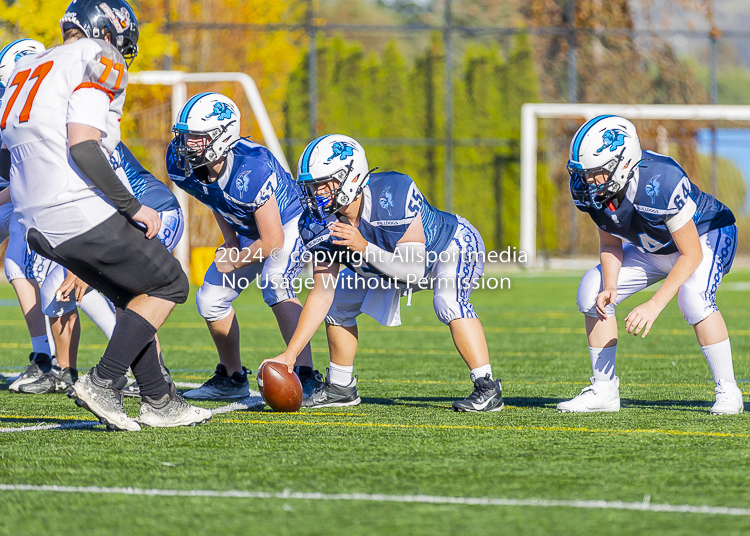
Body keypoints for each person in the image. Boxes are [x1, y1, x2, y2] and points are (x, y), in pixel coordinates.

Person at [0, 0, 210, 430]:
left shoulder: (27, 68)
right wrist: (132, 206)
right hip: (71, 205)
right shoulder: (100, 56)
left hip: (29, 218)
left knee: (130, 291)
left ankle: (159, 399)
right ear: (106, 31)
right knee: (169, 281)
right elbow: (82, 144)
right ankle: (104, 380)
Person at [262, 134, 504, 412]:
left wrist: (363, 246)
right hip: (384, 263)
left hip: (448, 248)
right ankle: (341, 387)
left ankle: (487, 387)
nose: (315, 193)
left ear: (351, 177)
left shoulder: (393, 192)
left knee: (448, 300)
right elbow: (321, 294)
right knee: (338, 303)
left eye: (323, 184)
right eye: (311, 186)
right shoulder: (317, 221)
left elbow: (413, 269)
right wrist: (291, 354)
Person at [558, 115, 741, 415]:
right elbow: (610, 243)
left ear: (624, 163)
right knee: (593, 289)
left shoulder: (661, 180)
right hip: (654, 246)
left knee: (693, 298)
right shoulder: (597, 192)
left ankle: (728, 390)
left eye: (596, 173)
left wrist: (654, 305)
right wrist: (612, 287)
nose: (588, 182)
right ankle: (604, 390)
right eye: (584, 173)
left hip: (707, 233)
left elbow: (691, 254)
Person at [166, 92, 321, 401]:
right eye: (185, 136)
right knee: (210, 300)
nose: (186, 145)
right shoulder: (180, 161)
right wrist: (231, 241)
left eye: (196, 137)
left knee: (275, 283)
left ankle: (306, 374)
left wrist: (236, 261)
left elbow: (273, 240)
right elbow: (212, 197)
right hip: (247, 227)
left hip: (288, 222)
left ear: (222, 137)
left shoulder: (252, 168)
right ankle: (232, 376)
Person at [0, 39, 57, 390]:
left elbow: (29, 177)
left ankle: (46, 360)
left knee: (31, 269)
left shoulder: (49, 107)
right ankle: (45, 359)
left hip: (44, 201)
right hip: (15, 197)